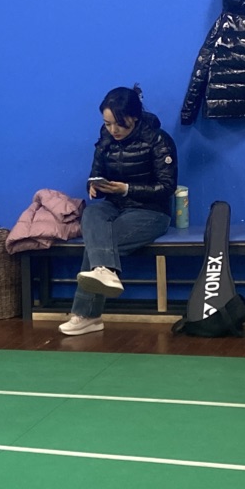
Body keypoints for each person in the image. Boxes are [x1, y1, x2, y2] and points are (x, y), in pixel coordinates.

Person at [60, 86, 178, 336]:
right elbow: (95, 174)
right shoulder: (105, 139)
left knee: (97, 244)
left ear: (134, 117)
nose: (113, 130)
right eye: (108, 123)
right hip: (114, 206)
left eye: (119, 124)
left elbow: (167, 187)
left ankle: (86, 315)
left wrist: (126, 189)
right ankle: (104, 276)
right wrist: (94, 187)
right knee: (91, 214)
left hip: (152, 212)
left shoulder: (159, 140)